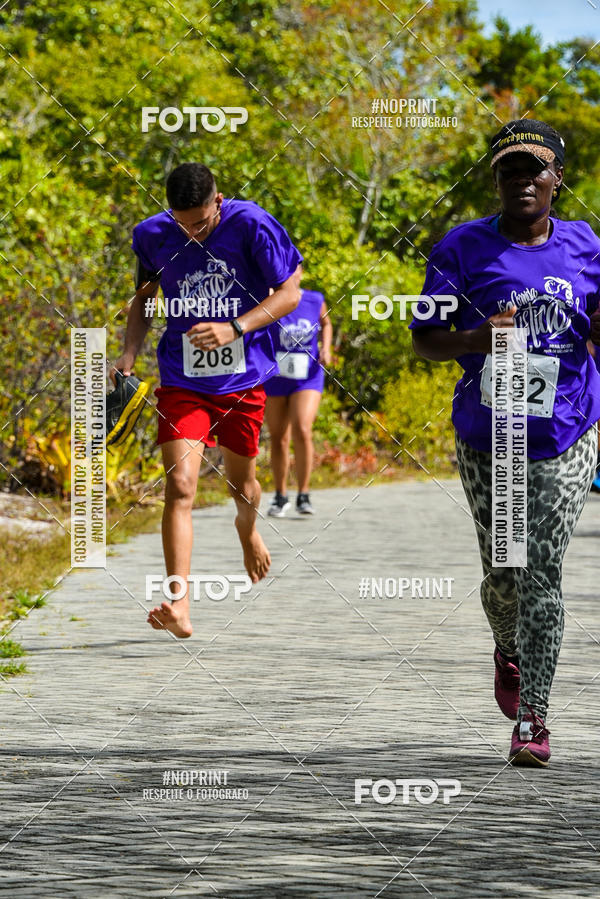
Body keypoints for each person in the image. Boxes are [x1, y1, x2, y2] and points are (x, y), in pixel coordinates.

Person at [411, 119, 600, 767]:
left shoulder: (585, 245)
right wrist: (474, 339)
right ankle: (508, 647)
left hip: (568, 430)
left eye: (534, 171)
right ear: (495, 180)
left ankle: (534, 718)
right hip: (491, 436)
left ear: (557, 180)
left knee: (542, 573)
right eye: (509, 172)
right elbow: (424, 340)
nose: (522, 182)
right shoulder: (460, 249)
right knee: (503, 576)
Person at [113, 163, 302, 638]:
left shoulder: (252, 224)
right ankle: (179, 605)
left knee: (244, 486)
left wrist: (233, 326)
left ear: (218, 201)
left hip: (244, 380)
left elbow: (290, 294)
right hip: (183, 380)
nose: (191, 233)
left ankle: (248, 528)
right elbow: (144, 296)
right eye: (182, 223)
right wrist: (128, 355)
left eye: (199, 223)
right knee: (180, 486)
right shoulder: (153, 235)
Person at [263, 273, 332, 516]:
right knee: (279, 436)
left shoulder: (314, 299)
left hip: (307, 374)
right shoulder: (268, 298)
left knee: (302, 428)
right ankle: (280, 496)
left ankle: (304, 494)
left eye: (295, 269)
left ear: (301, 273)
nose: (291, 275)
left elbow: (326, 323)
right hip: (275, 375)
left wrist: (327, 347)